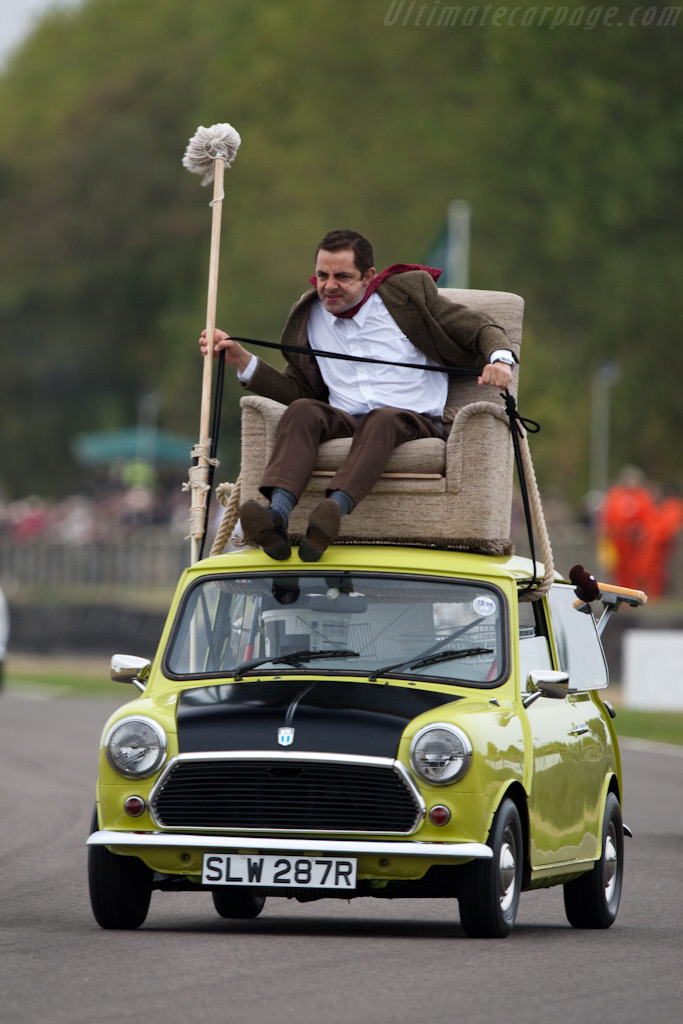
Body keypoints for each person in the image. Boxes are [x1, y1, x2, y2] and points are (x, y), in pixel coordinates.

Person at [200, 229, 518, 561]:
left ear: (368, 277)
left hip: (413, 421)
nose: (328, 285)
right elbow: (296, 392)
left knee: (382, 418)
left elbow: (483, 328)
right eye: (322, 275)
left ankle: (332, 511)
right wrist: (242, 360)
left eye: (342, 276)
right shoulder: (309, 316)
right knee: (303, 410)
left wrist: (499, 360)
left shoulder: (407, 298)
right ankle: (276, 517)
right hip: (346, 420)